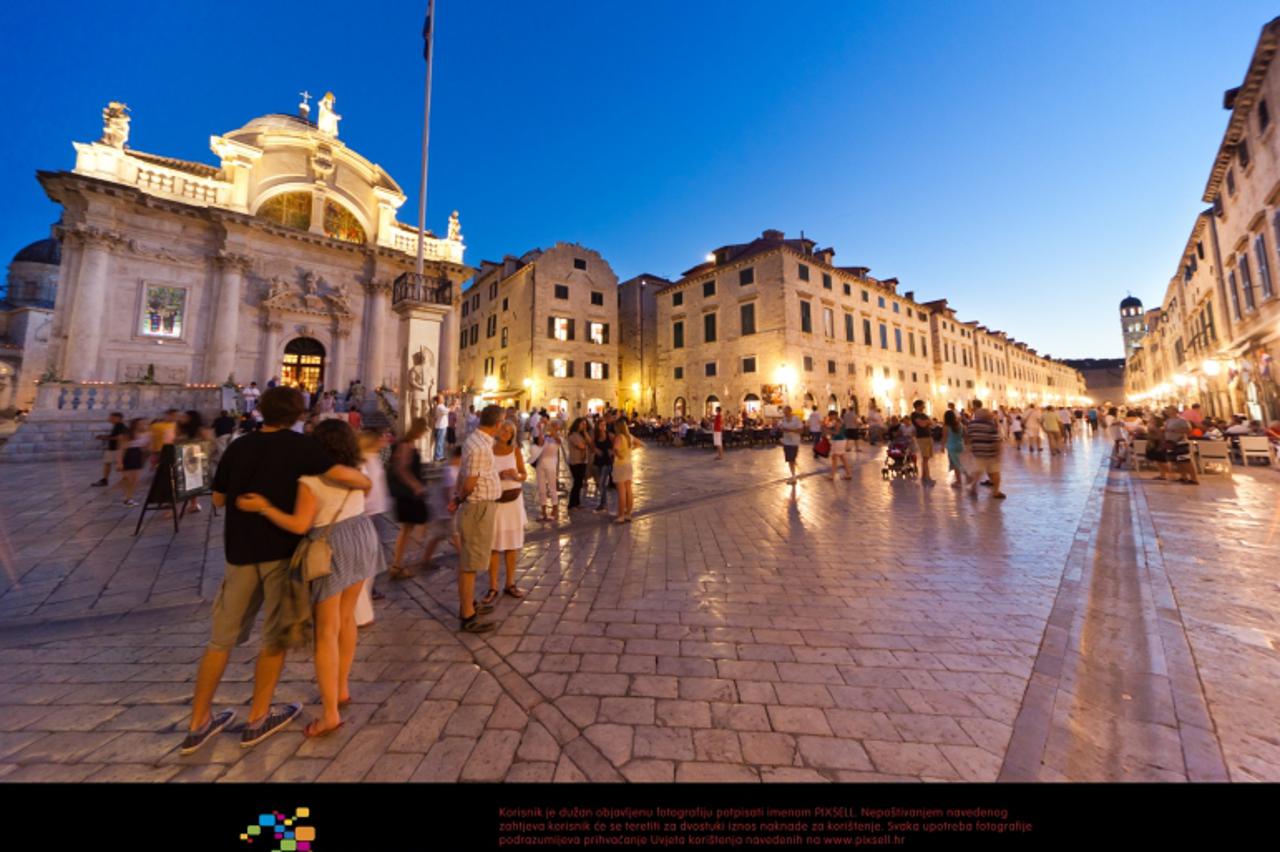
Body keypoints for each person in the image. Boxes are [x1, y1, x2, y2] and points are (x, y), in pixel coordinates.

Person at [180, 386, 370, 755]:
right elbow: (347, 476)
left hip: (240, 551)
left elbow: (218, 498)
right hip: (283, 555)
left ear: (260, 410)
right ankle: (258, 716)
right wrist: (365, 481)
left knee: (220, 640)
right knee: (274, 638)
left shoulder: (238, 446)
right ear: (300, 414)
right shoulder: (305, 449)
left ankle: (198, 721)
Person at [235, 419, 385, 739]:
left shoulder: (309, 480)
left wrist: (264, 508)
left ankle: (330, 713)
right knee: (347, 619)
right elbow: (367, 488)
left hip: (330, 546)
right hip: (362, 536)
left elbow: (299, 525)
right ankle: (341, 687)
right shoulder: (358, 473)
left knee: (326, 632)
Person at [448, 405, 505, 633]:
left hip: (478, 506)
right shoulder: (481, 446)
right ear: (498, 424)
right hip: (478, 508)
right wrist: (459, 498)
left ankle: (468, 604)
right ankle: (467, 615)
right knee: (470, 562)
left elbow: (467, 473)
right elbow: (470, 481)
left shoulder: (475, 440)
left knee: (470, 559)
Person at [485, 421, 528, 606]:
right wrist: (498, 476)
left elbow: (524, 474)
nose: (505, 433)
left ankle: (510, 583)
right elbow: (483, 474)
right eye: (503, 429)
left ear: (512, 435)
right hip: (496, 501)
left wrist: (516, 476)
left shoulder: (515, 451)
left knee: (512, 545)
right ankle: (493, 586)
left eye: (509, 431)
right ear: (498, 430)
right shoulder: (488, 450)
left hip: (513, 501)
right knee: (494, 546)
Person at [354, 429, 390, 627]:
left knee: (375, 554)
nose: (383, 440)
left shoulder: (375, 457)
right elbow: (366, 488)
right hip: (367, 514)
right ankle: (363, 601)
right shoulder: (362, 461)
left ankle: (369, 590)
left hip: (376, 511)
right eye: (379, 438)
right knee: (369, 557)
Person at [388, 418, 429, 579]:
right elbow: (402, 469)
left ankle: (398, 564)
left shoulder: (408, 444)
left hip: (410, 493)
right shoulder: (406, 445)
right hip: (408, 494)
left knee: (408, 529)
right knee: (407, 530)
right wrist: (416, 486)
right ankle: (397, 564)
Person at [965, 405, 1005, 499]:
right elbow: (996, 440)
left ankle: (973, 486)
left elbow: (967, 438)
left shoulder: (971, 425)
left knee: (978, 471)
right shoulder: (990, 425)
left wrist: (970, 448)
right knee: (994, 473)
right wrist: (999, 453)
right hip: (991, 453)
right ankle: (996, 491)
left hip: (978, 452)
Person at [612, 419, 643, 523]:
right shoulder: (629, 437)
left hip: (620, 465)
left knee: (621, 492)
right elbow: (640, 444)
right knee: (628, 490)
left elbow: (615, 449)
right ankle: (628, 514)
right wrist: (630, 450)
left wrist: (619, 454)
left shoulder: (619, 437)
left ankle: (621, 515)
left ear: (618, 427)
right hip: (628, 464)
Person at [531, 420, 562, 522]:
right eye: (552, 425)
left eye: (554, 426)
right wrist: (540, 430)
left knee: (552, 487)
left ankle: (554, 510)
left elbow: (558, 440)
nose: (552, 427)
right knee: (541, 489)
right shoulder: (546, 437)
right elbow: (540, 443)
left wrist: (549, 425)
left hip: (551, 464)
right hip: (541, 464)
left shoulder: (559, 438)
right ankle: (543, 511)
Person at [1161, 407, 1199, 485]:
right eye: (1167, 410)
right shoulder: (1168, 420)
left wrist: (1174, 431)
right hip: (1170, 443)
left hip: (1180, 442)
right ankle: (1183, 476)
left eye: (1169, 409)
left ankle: (1194, 479)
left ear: (1175, 411)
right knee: (1176, 461)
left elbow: (1188, 430)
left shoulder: (1182, 420)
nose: (1167, 411)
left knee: (1185, 461)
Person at [93, 412, 128, 487]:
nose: (109, 419)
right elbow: (115, 436)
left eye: (111, 417)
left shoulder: (120, 426)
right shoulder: (117, 426)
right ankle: (106, 480)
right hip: (114, 448)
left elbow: (119, 438)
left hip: (115, 449)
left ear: (117, 418)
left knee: (117, 465)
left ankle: (125, 479)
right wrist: (104, 436)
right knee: (108, 463)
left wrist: (105, 437)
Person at [119, 418, 148, 507]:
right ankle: (127, 498)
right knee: (129, 479)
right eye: (141, 424)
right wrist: (119, 462)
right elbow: (122, 449)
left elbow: (144, 447)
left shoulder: (145, 434)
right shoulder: (128, 435)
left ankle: (129, 497)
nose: (143, 425)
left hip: (137, 455)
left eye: (144, 424)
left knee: (135, 479)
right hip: (129, 455)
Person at [566, 417, 591, 510]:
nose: (584, 426)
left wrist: (585, 432)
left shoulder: (582, 435)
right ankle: (571, 504)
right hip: (575, 461)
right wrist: (586, 446)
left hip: (583, 461)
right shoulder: (572, 435)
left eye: (585, 424)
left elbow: (590, 443)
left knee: (579, 483)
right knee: (576, 483)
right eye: (582, 424)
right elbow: (581, 446)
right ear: (577, 424)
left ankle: (577, 503)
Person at [909, 400, 935, 485]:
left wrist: (927, 422)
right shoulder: (914, 415)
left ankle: (924, 477)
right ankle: (928, 478)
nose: (924, 407)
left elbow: (932, 423)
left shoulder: (923, 415)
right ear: (918, 406)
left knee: (926, 458)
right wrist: (927, 422)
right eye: (923, 405)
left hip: (928, 437)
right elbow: (922, 425)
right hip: (922, 438)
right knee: (925, 458)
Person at [592, 419, 614, 513]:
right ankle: (603, 503)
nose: (603, 426)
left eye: (604, 424)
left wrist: (612, 452)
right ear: (598, 426)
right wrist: (595, 450)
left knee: (601, 483)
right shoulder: (595, 436)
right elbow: (592, 445)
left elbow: (617, 444)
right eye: (601, 425)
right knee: (600, 484)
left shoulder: (609, 435)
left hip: (607, 462)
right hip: (598, 462)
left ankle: (603, 504)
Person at [779, 405, 804, 483]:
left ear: (790, 411)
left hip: (794, 442)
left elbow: (801, 430)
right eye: (784, 412)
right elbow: (781, 428)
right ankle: (794, 475)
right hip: (786, 442)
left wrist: (789, 430)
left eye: (786, 412)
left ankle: (794, 477)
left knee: (791, 459)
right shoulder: (783, 419)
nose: (784, 413)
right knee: (790, 460)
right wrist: (781, 429)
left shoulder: (796, 419)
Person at [943, 409, 967, 488]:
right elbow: (965, 434)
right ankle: (963, 478)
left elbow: (944, 437)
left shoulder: (946, 426)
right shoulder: (960, 424)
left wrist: (942, 446)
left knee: (956, 464)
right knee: (960, 463)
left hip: (951, 447)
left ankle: (960, 481)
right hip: (960, 445)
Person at [826, 411, 852, 481]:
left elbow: (835, 431)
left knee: (834, 458)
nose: (830, 417)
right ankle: (848, 473)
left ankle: (832, 475)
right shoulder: (840, 420)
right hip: (841, 440)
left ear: (834, 415)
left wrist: (828, 430)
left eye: (831, 416)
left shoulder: (836, 421)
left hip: (838, 440)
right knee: (842, 458)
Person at [432, 396, 449, 463]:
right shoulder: (439, 407)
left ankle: (441, 455)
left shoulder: (442, 406)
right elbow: (445, 411)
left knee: (441, 442)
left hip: (443, 426)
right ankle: (438, 456)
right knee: (439, 442)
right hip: (440, 426)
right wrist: (451, 407)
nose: (444, 399)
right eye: (442, 398)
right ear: (439, 400)